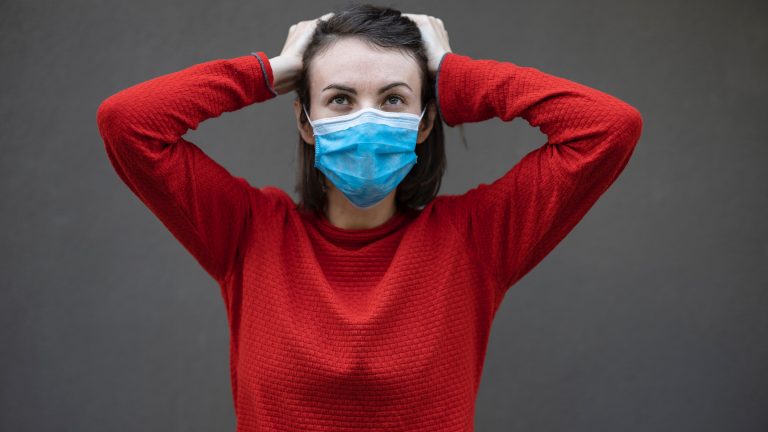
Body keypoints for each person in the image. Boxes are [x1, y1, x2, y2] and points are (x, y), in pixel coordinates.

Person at [96, 3, 643, 431]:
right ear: (306, 123)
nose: (366, 119)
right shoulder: (247, 233)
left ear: (425, 123)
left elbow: (607, 128)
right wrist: (268, 71)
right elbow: (127, 123)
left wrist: (455, 74)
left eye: (393, 100)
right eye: (338, 99)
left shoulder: (476, 240)